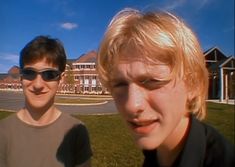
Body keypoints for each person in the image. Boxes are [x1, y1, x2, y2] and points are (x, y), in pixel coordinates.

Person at [97, 8, 234, 167]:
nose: (131, 105)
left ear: (193, 85)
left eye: (152, 81)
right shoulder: (156, 153)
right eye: (119, 84)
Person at [0, 35, 92, 167]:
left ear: (60, 79)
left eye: (49, 74)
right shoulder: (2, 132)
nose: (38, 84)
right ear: (21, 77)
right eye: (29, 73)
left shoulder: (77, 132)